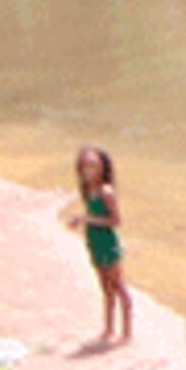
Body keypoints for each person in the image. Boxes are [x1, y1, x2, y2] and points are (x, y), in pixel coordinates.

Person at [66, 145, 133, 346]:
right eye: (85, 166)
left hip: (107, 242)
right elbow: (94, 215)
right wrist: (83, 221)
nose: (89, 170)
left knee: (119, 287)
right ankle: (109, 329)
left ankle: (127, 333)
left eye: (93, 165)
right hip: (94, 242)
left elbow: (115, 220)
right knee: (106, 288)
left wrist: (88, 220)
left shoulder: (106, 191)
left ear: (103, 167)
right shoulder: (88, 190)